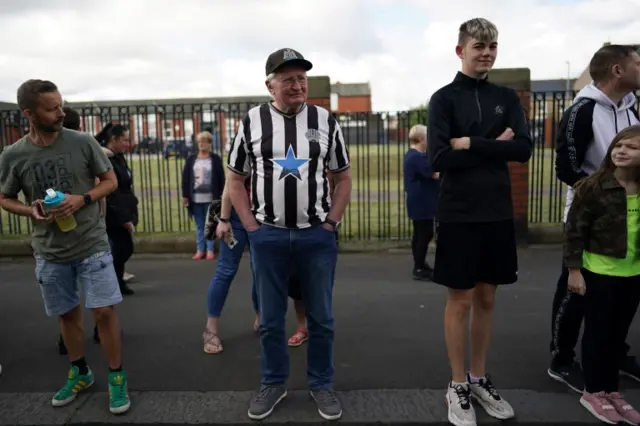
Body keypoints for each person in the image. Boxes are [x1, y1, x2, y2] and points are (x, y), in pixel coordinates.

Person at [227, 48, 352, 421]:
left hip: (317, 237)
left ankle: (321, 384)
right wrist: (251, 226)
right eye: (288, 80)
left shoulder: (325, 120)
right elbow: (235, 179)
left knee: (322, 318)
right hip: (270, 237)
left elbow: (343, 176)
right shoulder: (251, 121)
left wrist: (331, 223)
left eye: (301, 79)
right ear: (270, 85)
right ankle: (274, 383)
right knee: (269, 319)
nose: (297, 85)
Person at [0, 80, 130, 414]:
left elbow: (110, 182)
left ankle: (117, 377)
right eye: (51, 108)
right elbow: (5, 197)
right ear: (28, 114)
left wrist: (82, 198)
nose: (60, 113)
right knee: (68, 315)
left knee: (103, 311)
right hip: (49, 251)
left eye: (60, 105)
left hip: (92, 243)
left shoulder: (83, 142)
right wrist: (31, 210)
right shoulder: (14, 155)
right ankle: (81, 372)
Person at [426, 18, 532, 426]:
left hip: (497, 213)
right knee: (461, 301)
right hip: (458, 213)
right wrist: (495, 147)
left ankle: (478, 378)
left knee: (488, 299)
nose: (486, 52)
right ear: (461, 50)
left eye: (492, 46)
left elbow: (522, 150)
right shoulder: (443, 100)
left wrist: (471, 142)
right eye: (478, 46)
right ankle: (457, 386)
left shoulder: (506, 96)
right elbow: (439, 158)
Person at [550, 44, 640, 392]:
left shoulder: (633, 109)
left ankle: (615, 353)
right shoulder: (582, 111)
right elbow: (566, 167)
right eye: (637, 64)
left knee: (623, 292)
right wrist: (603, 197)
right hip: (591, 219)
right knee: (576, 292)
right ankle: (561, 359)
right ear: (618, 70)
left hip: (630, 217)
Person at [563, 125, 640, 425]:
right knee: (598, 334)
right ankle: (593, 390)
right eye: (618, 146)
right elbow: (574, 233)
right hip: (599, 272)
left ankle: (612, 390)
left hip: (633, 273)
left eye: (632, 148)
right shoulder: (592, 187)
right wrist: (574, 270)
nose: (621, 151)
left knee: (617, 336)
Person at [203, 176, 308, 354]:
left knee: (260, 268)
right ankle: (211, 328)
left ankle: (261, 317)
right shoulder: (246, 147)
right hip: (236, 217)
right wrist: (224, 218)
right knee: (226, 270)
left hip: (263, 217)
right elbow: (232, 180)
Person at [102, 124, 138, 296]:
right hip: (114, 215)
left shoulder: (118, 158)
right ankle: (111, 282)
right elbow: (112, 193)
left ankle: (117, 282)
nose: (127, 143)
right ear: (113, 140)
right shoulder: (107, 160)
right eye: (124, 139)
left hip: (124, 210)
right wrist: (124, 218)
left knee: (122, 248)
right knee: (123, 248)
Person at [182, 131, 225, 260]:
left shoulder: (215, 159)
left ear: (209, 144)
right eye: (200, 142)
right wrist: (185, 196)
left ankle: (210, 250)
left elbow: (221, 178)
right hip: (195, 198)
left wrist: (222, 194)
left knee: (210, 224)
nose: (202, 144)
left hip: (211, 197)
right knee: (199, 225)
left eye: (205, 142)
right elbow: (185, 178)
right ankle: (200, 250)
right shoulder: (191, 159)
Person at [403, 124, 439, 281]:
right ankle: (418, 267)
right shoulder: (416, 157)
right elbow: (434, 174)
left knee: (420, 234)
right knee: (424, 234)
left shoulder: (414, 155)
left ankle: (420, 265)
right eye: (427, 136)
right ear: (421, 139)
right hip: (421, 201)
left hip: (419, 200)